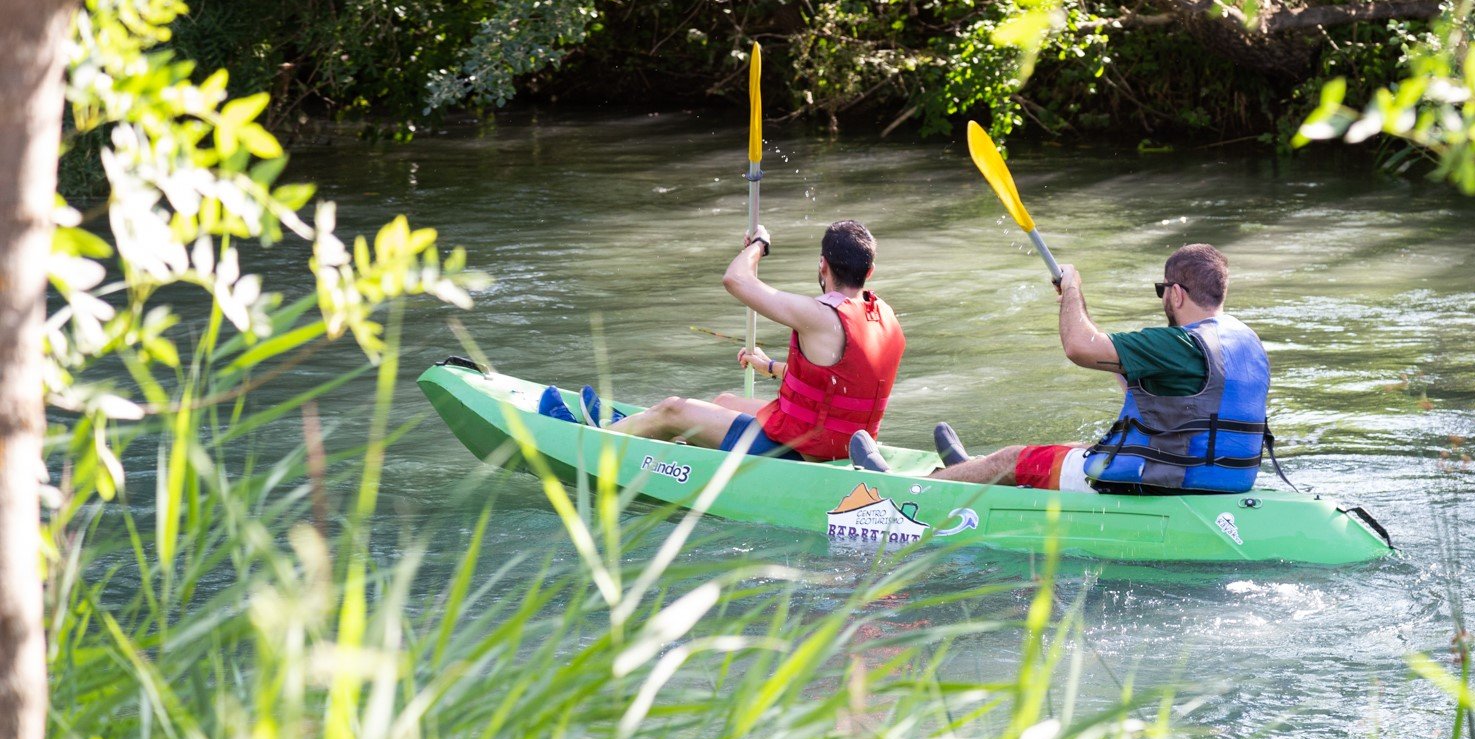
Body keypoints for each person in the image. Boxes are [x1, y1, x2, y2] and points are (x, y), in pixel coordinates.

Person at [853, 243, 1270, 494]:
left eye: (1163, 290)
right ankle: (965, 470)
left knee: (1014, 458)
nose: (1163, 298)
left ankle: (911, 487)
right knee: (1072, 448)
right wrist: (1076, 307)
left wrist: (1073, 289)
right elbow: (1152, 397)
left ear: (1176, 293)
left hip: (1165, 478)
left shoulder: (1178, 343)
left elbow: (1078, 347)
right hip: (1221, 479)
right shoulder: (1244, 344)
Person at [543, 219, 904, 461]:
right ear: (869, 271)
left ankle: (588, 446)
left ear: (823, 265)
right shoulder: (884, 317)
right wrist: (771, 366)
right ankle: (646, 439)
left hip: (805, 447)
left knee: (674, 408)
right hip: (847, 443)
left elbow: (735, 280)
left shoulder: (819, 315)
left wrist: (758, 245)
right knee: (724, 401)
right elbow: (841, 380)